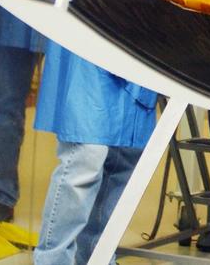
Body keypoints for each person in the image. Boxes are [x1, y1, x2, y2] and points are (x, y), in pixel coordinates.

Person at [33, 42, 157, 265]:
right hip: (91, 45)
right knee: (86, 157)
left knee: (126, 158)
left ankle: (98, 257)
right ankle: (53, 260)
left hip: (140, 48)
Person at [0, 7, 45, 223]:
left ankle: (86, 201)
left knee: (80, 111)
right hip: (17, 14)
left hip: (73, 17)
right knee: (6, 108)